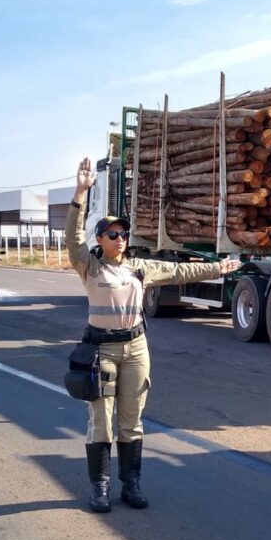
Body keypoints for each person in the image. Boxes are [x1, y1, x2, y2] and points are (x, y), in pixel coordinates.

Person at [69, 157, 240, 513]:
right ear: (100, 239)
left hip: (135, 348)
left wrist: (217, 268)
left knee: (132, 421)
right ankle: (99, 488)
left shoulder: (139, 267)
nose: (120, 239)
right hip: (101, 352)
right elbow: (72, 238)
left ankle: (131, 484)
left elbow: (178, 271)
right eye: (113, 234)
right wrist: (80, 194)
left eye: (124, 234)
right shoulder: (89, 265)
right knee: (101, 421)